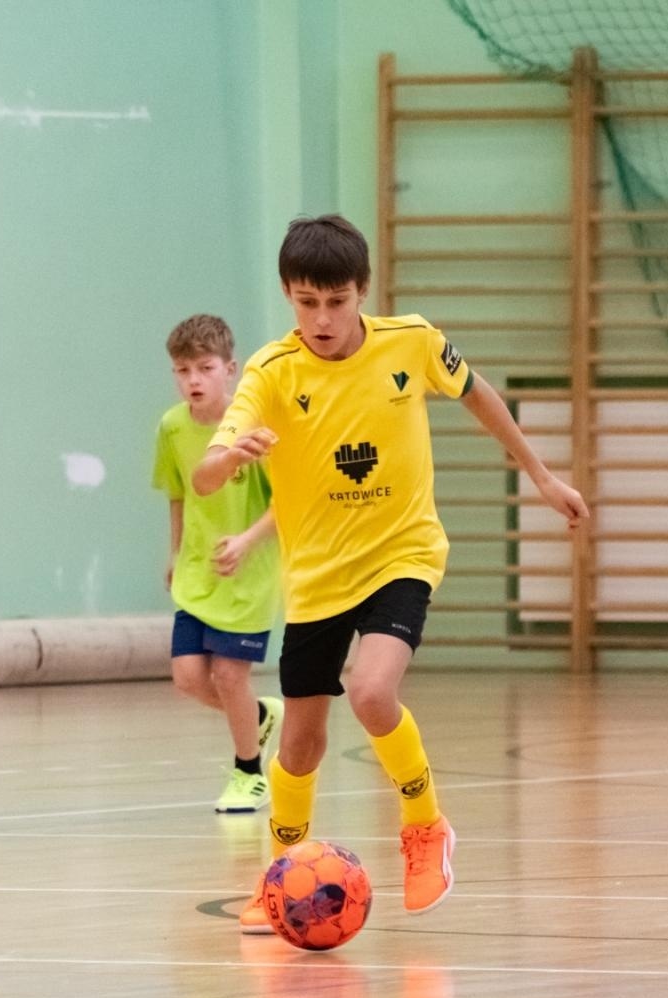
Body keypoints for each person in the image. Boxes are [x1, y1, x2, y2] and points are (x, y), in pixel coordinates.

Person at [194, 214, 588, 930]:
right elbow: (204, 475)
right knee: (301, 743)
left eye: (336, 301)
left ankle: (426, 825)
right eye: (307, 301)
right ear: (288, 294)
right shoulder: (270, 372)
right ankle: (280, 875)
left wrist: (542, 475)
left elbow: (480, 397)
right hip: (316, 576)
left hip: (401, 553)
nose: (322, 317)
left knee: (372, 689)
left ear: (362, 291)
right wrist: (229, 456)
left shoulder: (412, 342)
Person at [152, 314, 284, 813]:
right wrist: (176, 551)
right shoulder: (172, 427)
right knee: (187, 677)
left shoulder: (255, 429)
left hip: (250, 571)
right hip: (198, 569)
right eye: (182, 370)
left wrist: (247, 541)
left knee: (230, 675)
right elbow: (178, 494)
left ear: (230, 369)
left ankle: (249, 773)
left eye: (204, 368)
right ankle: (258, 717)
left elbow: (288, 503)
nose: (193, 380)